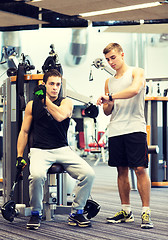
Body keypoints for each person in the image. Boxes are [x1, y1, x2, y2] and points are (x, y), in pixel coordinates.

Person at [16, 69, 95, 229]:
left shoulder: (66, 103)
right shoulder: (32, 105)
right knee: (37, 176)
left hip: (63, 149)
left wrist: (44, 100)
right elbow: (24, 132)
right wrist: (19, 156)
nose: (55, 87)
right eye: (51, 84)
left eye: (58, 84)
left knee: (89, 174)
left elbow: (59, 116)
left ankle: (77, 212)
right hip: (40, 150)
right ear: (44, 85)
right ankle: (36, 213)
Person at [97, 43, 153, 229]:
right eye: (107, 59)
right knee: (121, 171)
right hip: (116, 129)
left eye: (113, 58)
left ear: (122, 54)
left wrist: (111, 97)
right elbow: (107, 111)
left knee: (139, 169)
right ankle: (126, 211)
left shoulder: (137, 72)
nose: (110, 62)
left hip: (135, 127)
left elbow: (134, 90)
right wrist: (107, 101)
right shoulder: (109, 82)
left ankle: (146, 212)